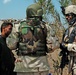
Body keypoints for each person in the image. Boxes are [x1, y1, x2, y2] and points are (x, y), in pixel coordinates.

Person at [11, 3, 59, 75]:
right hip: (41, 66)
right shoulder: (46, 26)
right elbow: (54, 46)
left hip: (23, 66)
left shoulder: (18, 26)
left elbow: (11, 45)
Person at [60, 5, 76, 75]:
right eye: (65, 15)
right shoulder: (68, 29)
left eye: (68, 15)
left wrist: (67, 46)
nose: (66, 17)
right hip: (70, 61)